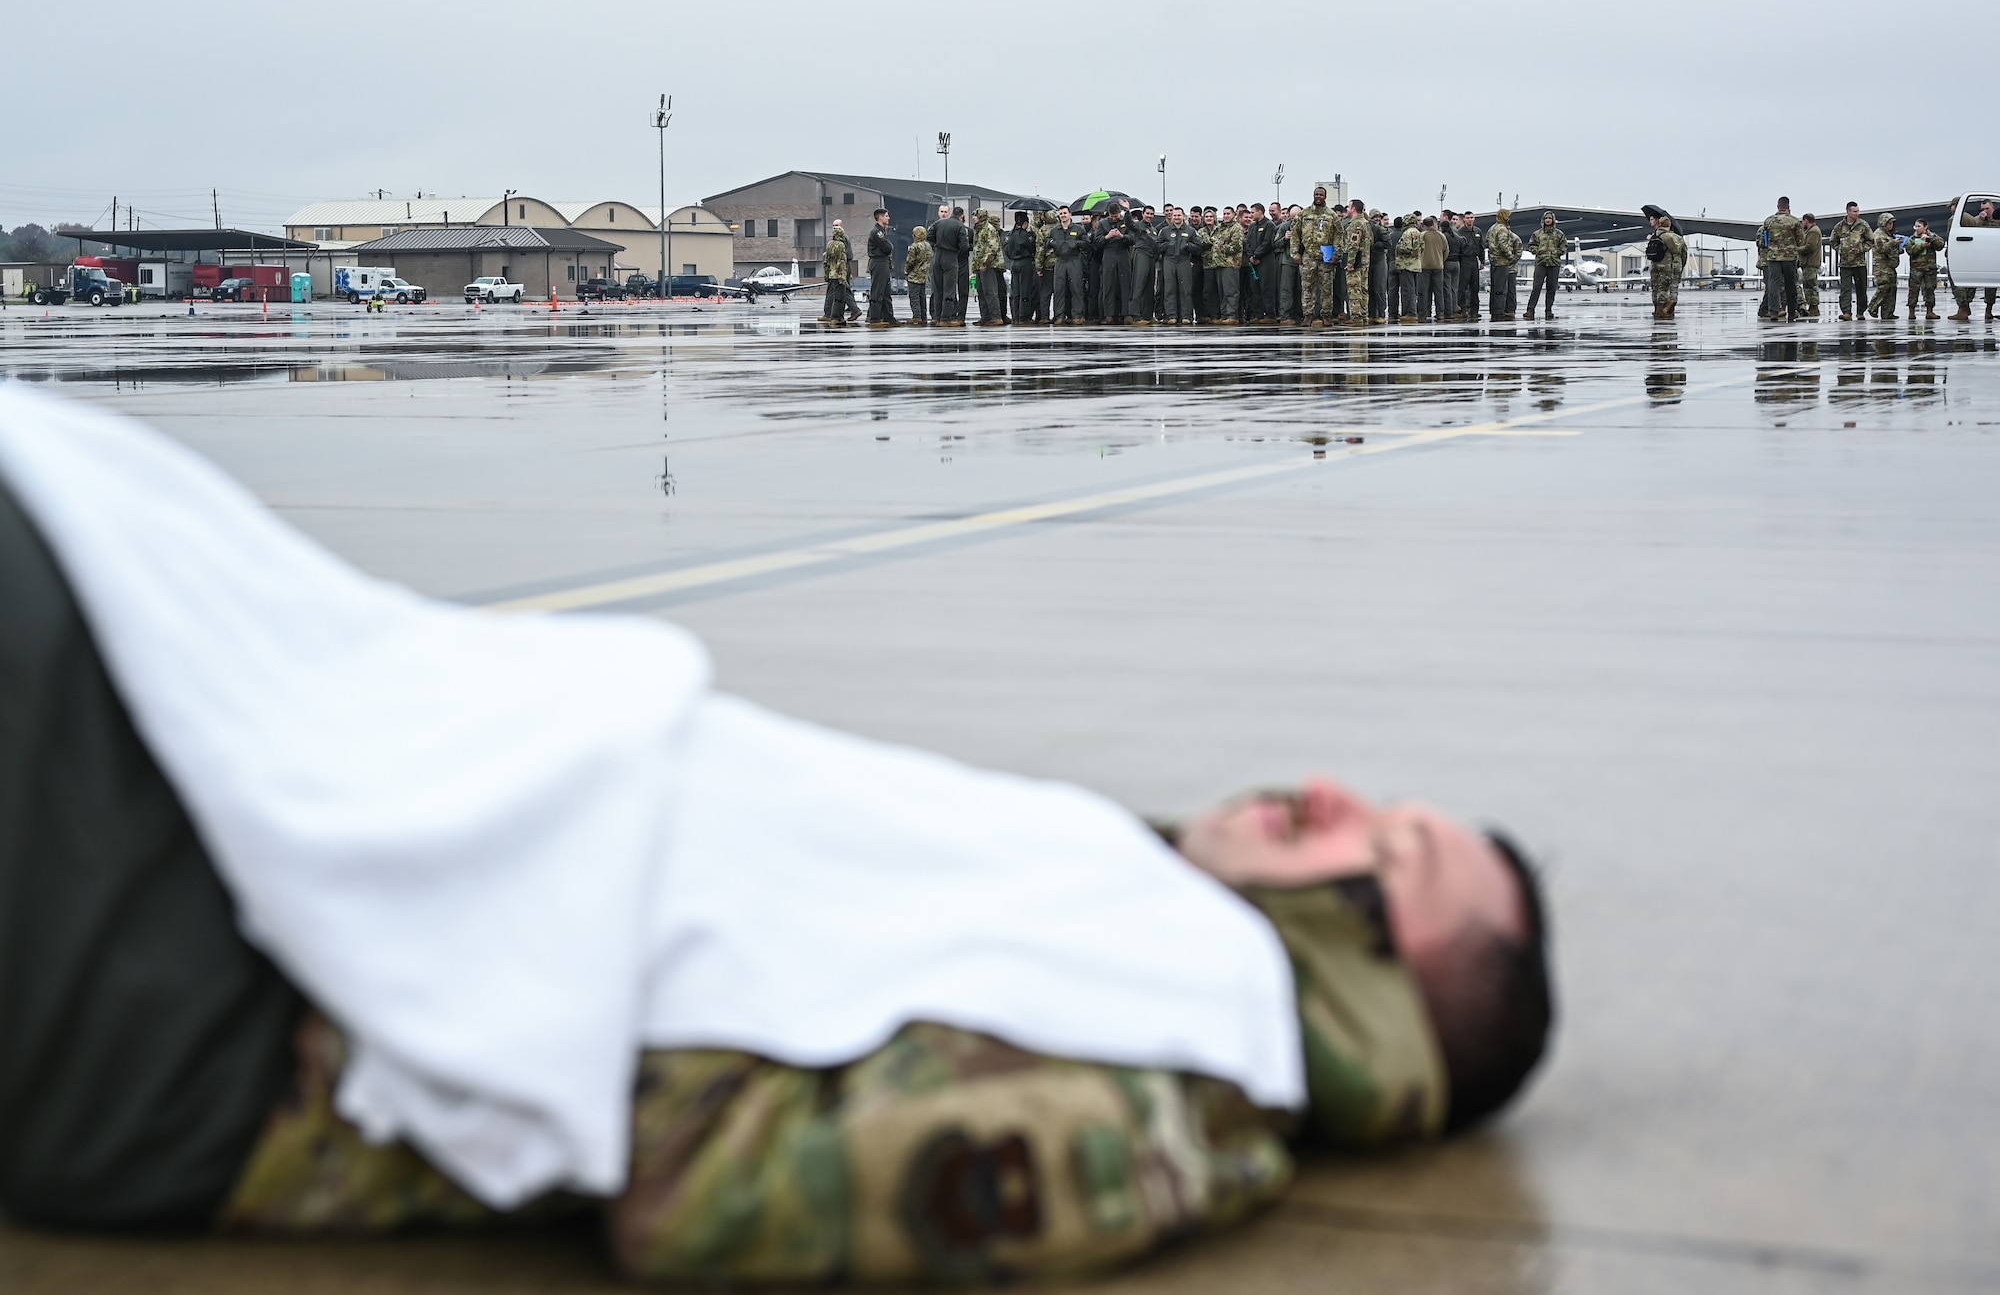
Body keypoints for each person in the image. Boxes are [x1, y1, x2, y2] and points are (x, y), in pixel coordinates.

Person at [0, 390, 1555, 1285]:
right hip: (311, 858)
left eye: (1386, 849)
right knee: (83, 493)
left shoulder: (1172, 1099)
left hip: (243, 1028)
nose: (1332, 790)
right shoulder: (1109, 910)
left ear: (1365, 976)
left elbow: (713, 1192)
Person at [1292, 185, 1335, 328]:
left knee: (1327, 288)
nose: (1318, 197)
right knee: (1307, 288)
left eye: (1321, 195)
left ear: (1325, 197)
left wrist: (1337, 253)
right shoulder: (1304, 214)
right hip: (1308, 256)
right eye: (1316, 194)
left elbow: (1339, 235)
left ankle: (1327, 315)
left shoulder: (1331, 215)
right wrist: (1295, 253)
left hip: (1326, 256)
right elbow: (1295, 234)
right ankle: (1307, 315)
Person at [1949, 198, 1998, 322]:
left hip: (1993, 256)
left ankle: (1989, 310)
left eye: (1987, 209)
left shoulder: (1997, 220)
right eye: (1983, 209)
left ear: (1993, 208)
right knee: (1971, 282)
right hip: (1978, 256)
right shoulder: (1976, 220)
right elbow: (1971, 228)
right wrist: (1980, 219)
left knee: (1992, 286)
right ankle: (1965, 308)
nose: (1985, 211)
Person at [1760, 196, 1806, 323]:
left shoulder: (1768, 221)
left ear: (1777, 206)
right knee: (1790, 284)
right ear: (1788, 207)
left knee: (1774, 283)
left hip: (1773, 257)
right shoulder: (1794, 221)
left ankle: (1774, 311)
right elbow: (1801, 240)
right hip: (1789, 257)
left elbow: (1764, 240)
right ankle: (1791, 313)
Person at [1829, 202, 1873, 321]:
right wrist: (1841, 249)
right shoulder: (1839, 226)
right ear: (1848, 212)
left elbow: (1870, 240)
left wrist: (1861, 249)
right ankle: (1846, 312)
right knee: (1845, 289)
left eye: (1858, 211)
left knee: (1861, 289)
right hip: (1845, 264)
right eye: (1854, 211)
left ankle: (1860, 312)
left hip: (1859, 263)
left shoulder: (1863, 225)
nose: (1857, 213)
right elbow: (1833, 241)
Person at [1048, 205, 1090, 325]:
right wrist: (1052, 243)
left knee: (1076, 288)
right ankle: (1059, 316)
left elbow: (1087, 243)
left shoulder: (1079, 229)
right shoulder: (1055, 230)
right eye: (1061, 214)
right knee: (1058, 289)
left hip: (1074, 260)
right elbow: (1048, 241)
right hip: (1060, 260)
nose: (1063, 215)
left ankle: (1077, 315)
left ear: (1070, 214)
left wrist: (1076, 243)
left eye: (1065, 213)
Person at [1159, 206, 1200, 325]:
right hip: (1169, 260)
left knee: (1185, 289)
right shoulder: (1165, 231)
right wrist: (1166, 245)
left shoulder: (1190, 231)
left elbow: (1198, 247)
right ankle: (1172, 315)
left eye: (1178, 215)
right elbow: (1157, 246)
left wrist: (1188, 246)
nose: (1176, 217)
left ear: (1183, 216)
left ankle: (1186, 316)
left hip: (1184, 260)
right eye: (1175, 215)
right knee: (1169, 289)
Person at [1095, 205, 1133, 326]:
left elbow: (1133, 239)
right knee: (1108, 285)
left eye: (1116, 216)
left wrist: (1122, 236)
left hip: (1123, 253)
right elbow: (1096, 242)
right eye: (1112, 216)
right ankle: (1109, 314)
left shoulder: (1125, 222)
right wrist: (1107, 237)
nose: (1114, 218)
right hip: (1109, 253)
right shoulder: (1102, 223)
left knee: (1126, 284)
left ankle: (1127, 313)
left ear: (1119, 213)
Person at [930, 206, 967, 327]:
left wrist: (938, 243)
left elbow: (929, 236)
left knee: (938, 289)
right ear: (961, 215)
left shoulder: (938, 223)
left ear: (951, 213)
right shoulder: (960, 226)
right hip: (950, 257)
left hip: (937, 256)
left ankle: (937, 316)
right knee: (949, 289)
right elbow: (964, 246)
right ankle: (946, 317)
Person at [1524, 213, 1565, 320]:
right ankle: (1530, 310)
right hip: (1541, 263)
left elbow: (1564, 246)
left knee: (1551, 288)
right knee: (1536, 287)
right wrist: (1538, 252)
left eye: (1550, 218)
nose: (1548, 220)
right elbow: (1531, 245)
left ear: (1553, 220)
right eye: (1546, 218)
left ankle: (1548, 310)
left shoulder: (1559, 234)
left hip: (1554, 264)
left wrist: (1555, 253)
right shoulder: (1537, 234)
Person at [821, 221, 860, 325]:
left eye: (836, 226)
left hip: (841, 268)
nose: (834, 228)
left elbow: (844, 256)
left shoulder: (842, 240)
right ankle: (829, 313)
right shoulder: (833, 242)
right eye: (833, 226)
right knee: (835, 290)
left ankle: (852, 310)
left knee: (843, 290)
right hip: (836, 269)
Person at [1210, 206, 1245, 325]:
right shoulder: (1220, 228)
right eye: (1224, 214)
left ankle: (1232, 315)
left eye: (1228, 214)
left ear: (1234, 214)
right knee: (1222, 292)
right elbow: (1213, 240)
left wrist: (1221, 247)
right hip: (1219, 264)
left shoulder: (1236, 228)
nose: (1225, 216)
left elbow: (1236, 246)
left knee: (1231, 291)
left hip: (1230, 264)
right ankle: (1224, 314)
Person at [1647, 213, 1686, 320]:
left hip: (1655, 265)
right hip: (1669, 266)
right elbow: (1682, 254)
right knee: (1669, 288)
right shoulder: (1676, 238)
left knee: (1656, 288)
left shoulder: (1655, 236)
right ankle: (1667, 308)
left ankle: (1657, 309)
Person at [1904, 218, 1944, 321]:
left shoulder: (1931, 236)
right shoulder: (1912, 238)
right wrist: (1922, 245)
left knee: (1929, 290)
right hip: (1916, 269)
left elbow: (1940, 244)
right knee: (1913, 290)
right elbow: (1910, 250)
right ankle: (1911, 312)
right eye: (1915, 226)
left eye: (1919, 226)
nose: (1917, 228)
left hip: (1929, 269)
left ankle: (1930, 311)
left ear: (1926, 227)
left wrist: (1930, 238)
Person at [971, 210, 1006, 326]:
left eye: (975, 216)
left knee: (990, 292)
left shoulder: (988, 229)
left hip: (989, 266)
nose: (973, 218)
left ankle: (996, 317)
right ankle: (985, 317)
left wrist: (985, 263)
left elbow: (993, 248)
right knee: (981, 292)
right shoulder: (978, 230)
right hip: (979, 266)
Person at [1341, 201, 1372, 328]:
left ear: (1353, 208)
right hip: (1365, 261)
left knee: (1354, 289)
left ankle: (1356, 317)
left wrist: (1350, 263)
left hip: (1356, 262)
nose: (1347, 208)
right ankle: (1364, 315)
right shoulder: (1366, 223)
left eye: (1349, 206)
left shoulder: (1355, 224)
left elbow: (1353, 245)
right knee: (1363, 289)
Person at [1004, 212, 1037, 326]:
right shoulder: (1026, 235)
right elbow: (1033, 248)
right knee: (1025, 290)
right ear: (1025, 223)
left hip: (1014, 263)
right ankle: (1024, 316)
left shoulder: (1009, 235)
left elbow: (1006, 250)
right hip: (1025, 262)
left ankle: (1015, 315)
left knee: (1015, 290)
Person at [1487, 209, 1520, 320]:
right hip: (1502, 262)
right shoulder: (1502, 229)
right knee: (1501, 288)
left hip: (1493, 261)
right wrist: (1510, 257)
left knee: (1495, 287)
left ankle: (1494, 309)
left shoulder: (1492, 228)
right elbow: (1503, 245)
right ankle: (1499, 311)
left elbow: (1487, 242)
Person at [865, 209, 896, 327]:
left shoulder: (882, 231)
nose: (888, 218)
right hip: (878, 262)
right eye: (886, 216)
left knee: (886, 292)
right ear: (880, 217)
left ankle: (889, 317)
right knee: (877, 291)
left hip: (883, 262)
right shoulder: (877, 232)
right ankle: (875, 318)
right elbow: (888, 247)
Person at [1868, 212, 1900, 320]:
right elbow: (1881, 249)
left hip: (1890, 266)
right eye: (1888, 223)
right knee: (1884, 287)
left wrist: (1899, 249)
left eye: (1892, 223)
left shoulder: (1889, 235)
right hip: (1881, 266)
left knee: (1892, 289)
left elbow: (1890, 249)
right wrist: (1894, 243)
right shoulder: (1878, 235)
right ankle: (1872, 307)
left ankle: (1888, 313)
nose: (1890, 226)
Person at [1419, 216, 1449, 323]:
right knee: (1439, 291)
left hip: (1424, 266)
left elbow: (1418, 249)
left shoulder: (1422, 235)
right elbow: (1446, 250)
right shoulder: (1441, 236)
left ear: (1425, 226)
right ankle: (1440, 313)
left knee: (1424, 291)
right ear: (1433, 223)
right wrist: (1441, 260)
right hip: (1438, 266)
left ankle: (1424, 313)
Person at [1395, 214, 1424, 324]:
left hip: (1407, 264)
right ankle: (1411, 311)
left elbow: (1406, 248)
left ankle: (1411, 312)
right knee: (1413, 289)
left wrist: (1398, 247)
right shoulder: (1418, 232)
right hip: (1416, 263)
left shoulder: (1407, 233)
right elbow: (1422, 247)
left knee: (1409, 290)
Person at [1457, 213, 1486, 320]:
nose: (1470, 220)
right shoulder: (1460, 232)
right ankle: (1462, 309)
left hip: (1474, 261)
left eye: (1472, 218)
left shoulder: (1477, 231)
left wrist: (1482, 260)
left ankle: (1474, 310)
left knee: (1475, 287)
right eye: (1468, 218)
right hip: (1464, 261)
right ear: (1464, 219)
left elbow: (1481, 247)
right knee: (1462, 288)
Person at [1276, 204, 1301, 325]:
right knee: (1286, 290)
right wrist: (1284, 239)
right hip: (1288, 261)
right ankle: (1285, 315)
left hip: (1303, 262)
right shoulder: (1284, 226)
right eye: (1293, 217)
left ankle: (1299, 315)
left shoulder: (1306, 226)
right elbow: (1275, 244)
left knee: (1301, 290)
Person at [903, 224, 931, 327]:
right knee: (922, 296)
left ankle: (916, 316)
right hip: (924, 274)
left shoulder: (914, 246)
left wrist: (906, 271)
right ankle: (923, 316)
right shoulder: (928, 245)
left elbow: (910, 261)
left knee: (914, 297)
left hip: (914, 275)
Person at [1798, 212, 1823, 318]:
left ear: (1806, 220)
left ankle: (1814, 308)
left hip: (1810, 263)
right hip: (1808, 263)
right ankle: (1812, 307)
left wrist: (1797, 249)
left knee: (1811, 286)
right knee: (1808, 286)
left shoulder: (1813, 231)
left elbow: (1810, 246)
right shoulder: (1811, 231)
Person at [1032, 209, 1056, 324]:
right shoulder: (1060, 228)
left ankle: (1044, 316)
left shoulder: (1043, 230)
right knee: (1059, 292)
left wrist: (1039, 267)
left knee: (1045, 293)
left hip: (1047, 266)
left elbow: (1040, 250)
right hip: (1060, 264)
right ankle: (1058, 316)